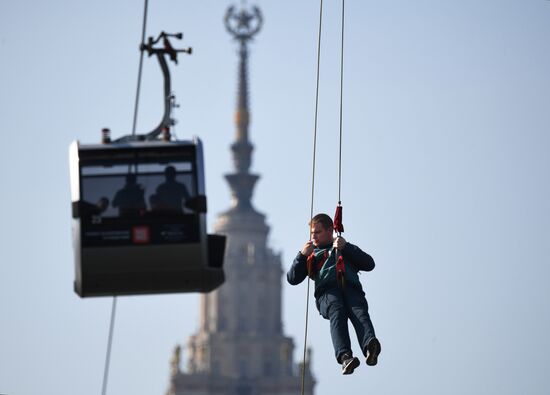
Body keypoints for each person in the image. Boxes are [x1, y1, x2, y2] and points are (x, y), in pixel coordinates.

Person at [287, 213, 381, 375]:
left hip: (350, 288)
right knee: (337, 310)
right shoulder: (311, 254)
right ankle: (345, 356)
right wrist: (301, 256)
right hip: (327, 293)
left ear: (330, 230)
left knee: (359, 311)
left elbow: (369, 264)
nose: (313, 237)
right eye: (312, 233)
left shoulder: (343, 247)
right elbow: (293, 278)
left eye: (317, 232)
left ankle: (370, 346)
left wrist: (347, 247)